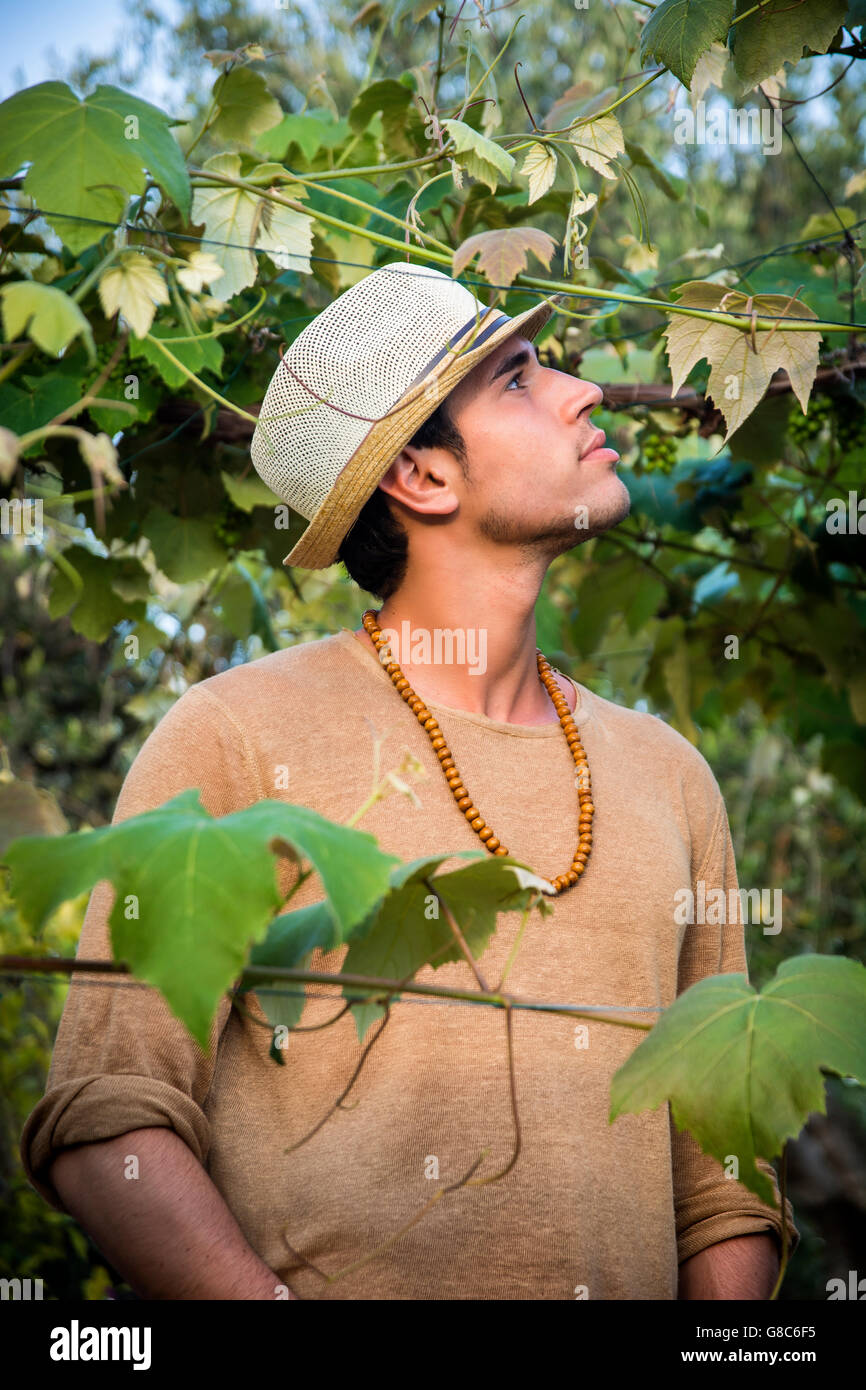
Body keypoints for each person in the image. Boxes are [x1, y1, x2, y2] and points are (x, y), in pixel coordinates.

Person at [21, 261, 796, 1300]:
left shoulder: (672, 776)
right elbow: (106, 1117)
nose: (582, 391)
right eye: (518, 379)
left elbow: (722, 1181)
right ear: (421, 477)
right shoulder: (231, 737)